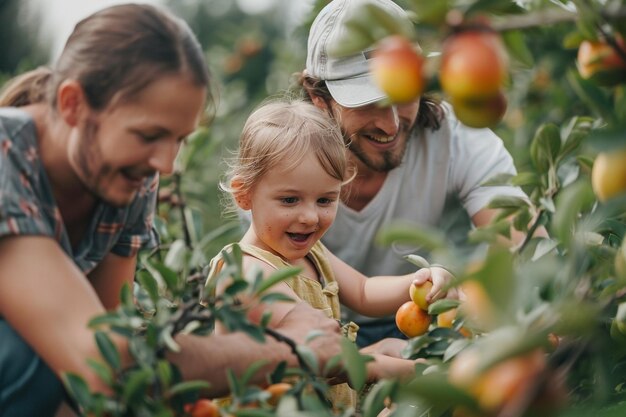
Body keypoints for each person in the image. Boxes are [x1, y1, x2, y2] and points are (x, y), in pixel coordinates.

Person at [0, 5, 345, 416]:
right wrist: (287, 349)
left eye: (179, 139)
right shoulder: (7, 156)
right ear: (73, 104)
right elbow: (100, 358)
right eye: (149, 135)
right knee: (30, 357)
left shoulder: (125, 172)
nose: (165, 165)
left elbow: (111, 338)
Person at [295, 0, 535, 347]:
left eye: (404, 93)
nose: (392, 123)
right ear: (319, 98)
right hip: (332, 334)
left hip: (448, 324)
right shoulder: (283, 169)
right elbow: (284, 299)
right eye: (368, 102)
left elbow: (524, 245)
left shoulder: (458, 138)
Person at [207, 98, 452, 409]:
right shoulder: (246, 272)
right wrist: (408, 370)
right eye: (290, 200)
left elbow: (364, 292)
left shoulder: (312, 255)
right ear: (244, 194)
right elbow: (319, 349)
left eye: (325, 200)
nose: (310, 216)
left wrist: (424, 283)